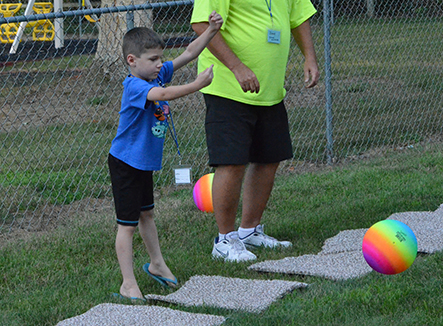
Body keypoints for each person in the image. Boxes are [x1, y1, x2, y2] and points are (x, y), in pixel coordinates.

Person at [191, 0, 320, 262]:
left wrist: (309, 55)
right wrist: (237, 67)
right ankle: (225, 239)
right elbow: (201, 23)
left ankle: (249, 230)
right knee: (231, 162)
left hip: (269, 89)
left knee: (269, 158)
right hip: (228, 87)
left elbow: (298, 16)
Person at [108, 11, 223, 300]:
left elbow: (188, 53)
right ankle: (128, 282)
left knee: (147, 213)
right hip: (125, 163)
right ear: (132, 61)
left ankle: (157, 264)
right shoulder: (134, 85)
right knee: (127, 225)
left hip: (142, 162)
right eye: (153, 59)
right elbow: (162, 96)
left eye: (161, 58)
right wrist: (196, 86)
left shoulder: (156, 73)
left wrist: (210, 31)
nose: (160, 64)